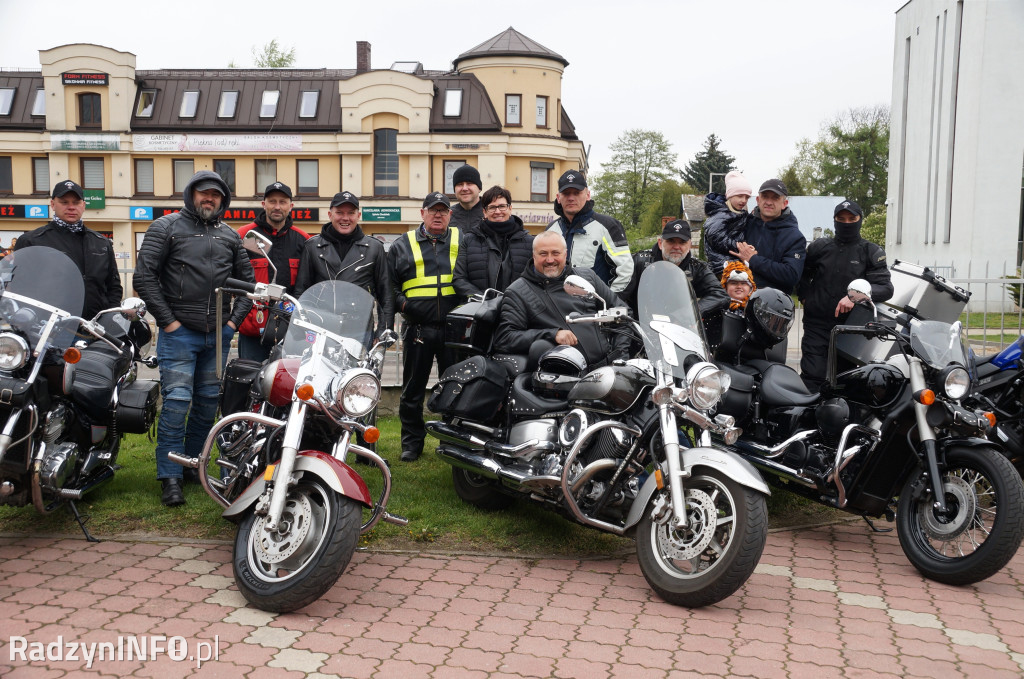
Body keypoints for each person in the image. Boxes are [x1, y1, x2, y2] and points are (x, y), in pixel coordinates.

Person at [133, 171, 254, 507]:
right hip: (179, 334)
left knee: (205, 404)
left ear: (223, 200)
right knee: (176, 402)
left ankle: (191, 466)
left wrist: (231, 325)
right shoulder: (166, 228)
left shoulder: (230, 236)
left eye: (216, 195)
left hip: (216, 337)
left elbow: (248, 286)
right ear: (191, 194)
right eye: (203, 193)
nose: (209, 199)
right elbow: (144, 278)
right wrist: (168, 322)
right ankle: (169, 475)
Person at [388, 192, 462, 462]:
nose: (438, 215)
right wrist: (405, 306)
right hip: (418, 329)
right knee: (412, 391)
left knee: (454, 389)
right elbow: (389, 287)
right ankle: (412, 444)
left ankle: (452, 442)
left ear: (450, 215)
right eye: (433, 210)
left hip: (454, 329)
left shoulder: (461, 239)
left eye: (443, 211)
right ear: (422, 213)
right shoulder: (401, 244)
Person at [493, 231, 629, 369]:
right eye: (543, 254)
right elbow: (505, 338)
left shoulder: (587, 277)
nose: (550, 260)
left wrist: (620, 357)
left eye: (555, 253)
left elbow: (623, 314)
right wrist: (552, 334)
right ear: (533, 256)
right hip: (564, 378)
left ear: (565, 254)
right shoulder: (518, 291)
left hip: (609, 369)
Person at [797, 200, 893, 390]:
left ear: (860, 220)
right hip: (816, 326)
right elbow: (801, 275)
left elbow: (885, 288)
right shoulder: (819, 247)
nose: (846, 222)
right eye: (841, 219)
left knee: (845, 383)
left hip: (851, 329)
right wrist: (806, 297)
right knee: (812, 377)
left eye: (852, 218)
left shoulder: (871, 251)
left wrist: (855, 296)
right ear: (834, 220)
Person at [14, 181, 122, 319]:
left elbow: (113, 286)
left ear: (83, 205)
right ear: (53, 204)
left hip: (96, 327)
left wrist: (110, 316)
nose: (71, 207)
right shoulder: (32, 241)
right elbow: (19, 288)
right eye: (64, 202)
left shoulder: (101, 242)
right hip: (50, 328)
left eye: (76, 202)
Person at [293, 191, 393, 337]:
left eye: (351, 213)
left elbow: (386, 294)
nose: (345, 218)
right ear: (330, 214)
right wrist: (301, 327)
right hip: (320, 328)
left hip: (360, 330)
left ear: (358, 216)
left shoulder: (374, 248)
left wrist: (384, 330)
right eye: (339, 212)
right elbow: (301, 292)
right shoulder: (312, 246)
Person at [235, 182, 310, 361]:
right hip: (253, 327)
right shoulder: (243, 236)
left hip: (290, 329)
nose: (277, 207)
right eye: (272, 201)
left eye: (283, 202)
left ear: (290, 206)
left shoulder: (303, 240)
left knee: (286, 382)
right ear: (264, 204)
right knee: (250, 380)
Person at [620, 218, 728, 319]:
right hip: (639, 327)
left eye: (682, 242)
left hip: (678, 328)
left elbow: (721, 295)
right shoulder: (638, 261)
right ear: (660, 243)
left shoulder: (697, 267)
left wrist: (689, 313)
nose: (676, 247)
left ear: (689, 245)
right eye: (671, 241)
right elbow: (618, 293)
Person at [546, 170, 633, 292]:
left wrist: (609, 303)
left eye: (577, 193)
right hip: (556, 306)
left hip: (594, 308)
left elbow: (625, 271)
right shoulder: (550, 230)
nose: (571, 198)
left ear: (587, 195)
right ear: (558, 198)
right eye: (566, 193)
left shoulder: (608, 226)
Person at [453, 185, 533, 297]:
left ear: (510, 209)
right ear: (484, 212)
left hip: (518, 311)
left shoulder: (529, 242)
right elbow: (459, 278)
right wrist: (483, 299)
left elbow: (535, 279)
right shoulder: (470, 240)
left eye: (502, 206)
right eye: (492, 207)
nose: (497, 211)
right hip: (480, 309)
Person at [731, 178, 806, 295]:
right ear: (758, 200)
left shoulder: (794, 237)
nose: (769, 202)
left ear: (784, 204)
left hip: (772, 306)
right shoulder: (743, 224)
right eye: (765, 196)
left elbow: (791, 275)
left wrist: (753, 260)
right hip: (737, 301)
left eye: (775, 198)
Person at [704, 171, 754, 277]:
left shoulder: (739, 214)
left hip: (735, 264)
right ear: (729, 195)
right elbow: (715, 236)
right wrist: (739, 247)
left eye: (747, 197)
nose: (744, 200)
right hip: (721, 267)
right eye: (740, 196)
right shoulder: (719, 214)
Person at [448, 164, 484, 230]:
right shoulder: (447, 215)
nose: (464, 188)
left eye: (469, 183)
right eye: (459, 184)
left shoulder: (492, 213)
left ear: (479, 188)